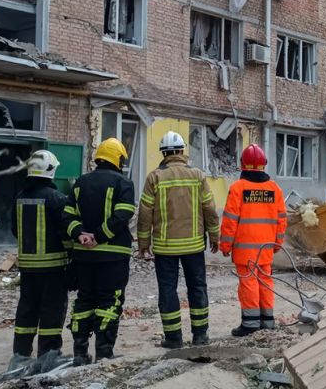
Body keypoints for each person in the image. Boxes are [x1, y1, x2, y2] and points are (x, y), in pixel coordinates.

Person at [137, 131, 220, 349]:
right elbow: (210, 209)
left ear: (163, 152)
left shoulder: (154, 177)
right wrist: (214, 235)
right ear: (182, 150)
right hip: (194, 246)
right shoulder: (198, 176)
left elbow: (145, 213)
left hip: (165, 247)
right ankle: (200, 336)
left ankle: (173, 338)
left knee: (167, 290)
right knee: (197, 287)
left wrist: (143, 244)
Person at [62, 138, 135, 365]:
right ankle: (104, 352)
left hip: (83, 255)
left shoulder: (80, 183)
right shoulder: (123, 183)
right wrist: (99, 236)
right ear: (118, 158)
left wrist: (81, 235)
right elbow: (123, 215)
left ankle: (80, 353)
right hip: (112, 256)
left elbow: (67, 215)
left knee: (84, 300)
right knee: (109, 301)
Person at [9, 150, 70, 367]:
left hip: (27, 268)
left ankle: (20, 354)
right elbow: (66, 232)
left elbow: (15, 230)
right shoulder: (56, 198)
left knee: (27, 309)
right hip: (53, 268)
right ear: (51, 170)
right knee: (51, 311)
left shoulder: (19, 198)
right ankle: (49, 354)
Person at [220, 144, 287, 337]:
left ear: (242, 164)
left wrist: (225, 245)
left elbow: (230, 221)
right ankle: (267, 321)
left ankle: (250, 324)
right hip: (266, 248)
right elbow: (282, 219)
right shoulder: (274, 189)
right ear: (264, 164)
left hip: (244, 249)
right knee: (265, 281)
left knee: (249, 282)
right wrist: (277, 244)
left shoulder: (238, 188)